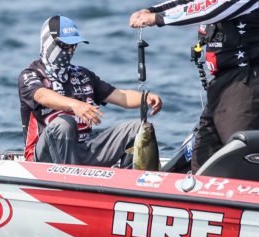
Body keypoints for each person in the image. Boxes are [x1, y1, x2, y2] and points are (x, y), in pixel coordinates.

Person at [129, 0, 259, 172]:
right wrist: (151, 10)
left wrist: (157, 19)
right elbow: (193, 0)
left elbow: (209, 9)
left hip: (247, 79)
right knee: (203, 151)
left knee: (238, 152)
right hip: (224, 81)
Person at [18, 15, 162, 166]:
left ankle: (133, 182)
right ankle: (70, 181)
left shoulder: (83, 75)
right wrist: (75, 105)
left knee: (138, 129)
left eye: (74, 45)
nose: (71, 50)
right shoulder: (30, 74)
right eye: (66, 45)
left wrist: (145, 98)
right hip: (44, 159)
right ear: (48, 42)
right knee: (65, 123)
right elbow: (41, 95)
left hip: (84, 150)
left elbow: (120, 96)